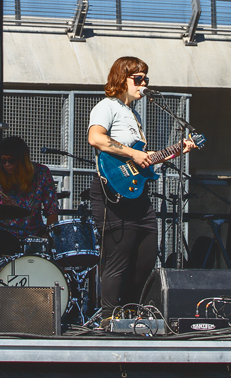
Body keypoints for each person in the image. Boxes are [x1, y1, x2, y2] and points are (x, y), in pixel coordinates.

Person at [87, 56, 196, 320]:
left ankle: (132, 313)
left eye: (146, 78)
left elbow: (142, 161)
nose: (144, 83)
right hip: (112, 192)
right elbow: (95, 137)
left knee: (146, 256)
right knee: (118, 259)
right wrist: (132, 154)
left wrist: (176, 151)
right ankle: (109, 319)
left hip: (137, 193)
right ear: (121, 79)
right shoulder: (107, 106)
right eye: (138, 79)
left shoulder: (134, 115)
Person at [0, 135, 59, 255]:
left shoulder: (42, 173)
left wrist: (48, 235)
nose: (7, 164)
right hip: (1, 231)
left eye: (11, 160)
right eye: (3, 161)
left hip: (33, 233)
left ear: (22, 160)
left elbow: (52, 210)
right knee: (1, 243)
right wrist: (0, 206)